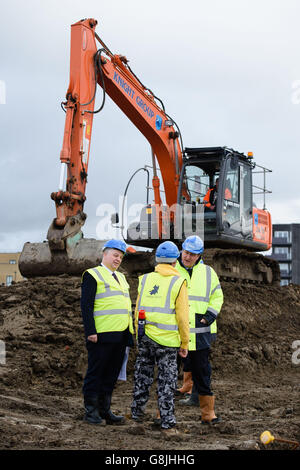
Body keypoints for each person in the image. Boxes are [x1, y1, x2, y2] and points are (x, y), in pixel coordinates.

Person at [131, 241, 190, 436]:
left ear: (157, 260)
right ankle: (167, 424)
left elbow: (137, 309)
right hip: (168, 342)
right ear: (175, 261)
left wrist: (137, 335)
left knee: (142, 377)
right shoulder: (178, 281)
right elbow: (182, 317)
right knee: (167, 383)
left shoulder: (146, 279)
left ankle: (136, 417)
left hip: (145, 336)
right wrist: (184, 342)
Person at [81, 239, 134, 425]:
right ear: (105, 254)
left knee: (111, 374)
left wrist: (129, 334)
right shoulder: (92, 275)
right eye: (115, 255)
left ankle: (105, 410)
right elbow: (86, 306)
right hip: (101, 334)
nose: (118, 259)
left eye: (120, 256)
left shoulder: (121, 277)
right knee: (96, 373)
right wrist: (91, 331)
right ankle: (91, 412)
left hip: (120, 334)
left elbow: (126, 307)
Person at [176, 235, 224, 424]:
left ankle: (208, 414)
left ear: (199, 256)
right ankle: (161, 413)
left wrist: (210, 316)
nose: (188, 257)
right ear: (182, 250)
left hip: (201, 330)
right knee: (169, 372)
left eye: (193, 254)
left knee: (202, 370)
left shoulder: (208, 272)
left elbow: (217, 296)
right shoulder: (172, 269)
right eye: (186, 252)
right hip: (176, 329)